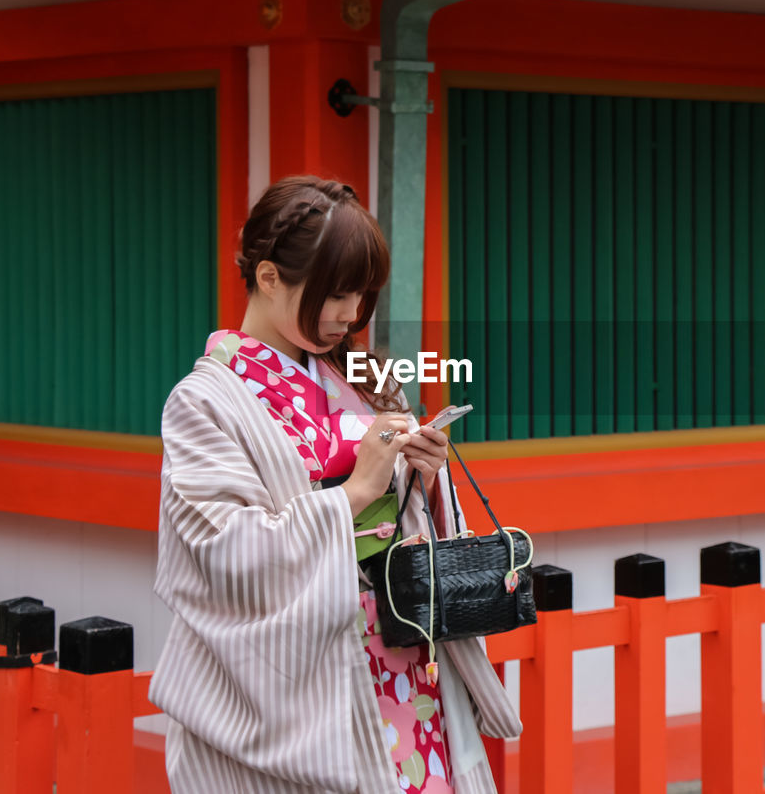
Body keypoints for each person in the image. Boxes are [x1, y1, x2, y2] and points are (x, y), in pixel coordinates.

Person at [150, 176, 520, 794]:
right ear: (269, 278)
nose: (351, 316)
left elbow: (412, 518)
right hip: (297, 683)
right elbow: (220, 551)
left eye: (361, 296)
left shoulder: (368, 377)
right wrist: (354, 492)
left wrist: (424, 477)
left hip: (399, 654)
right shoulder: (205, 402)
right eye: (336, 295)